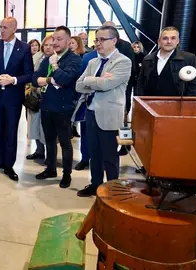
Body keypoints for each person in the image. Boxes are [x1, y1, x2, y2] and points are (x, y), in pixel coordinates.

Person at [75, 25, 131, 197]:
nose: (97, 43)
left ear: (114, 41)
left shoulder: (123, 62)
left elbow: (107, 85)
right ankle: (95, 184)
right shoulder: (93, 62)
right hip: (91, 113)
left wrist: (90, 80)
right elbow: (78, 85)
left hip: (109, 115)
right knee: (94, 154)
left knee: (110, 156)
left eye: (102, 39)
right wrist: (97, 80)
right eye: (96, 39)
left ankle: (113, 189)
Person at [0, 17, 34, 181]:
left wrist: (13, 80)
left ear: (14, 28)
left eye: (5, 27)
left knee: (11, 131)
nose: (2, 30)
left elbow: (29, 74)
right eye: (1, 27)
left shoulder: (24, 48)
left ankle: (9, 165)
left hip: (13, 97)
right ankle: (0, 160)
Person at [32, 26, 81, 188]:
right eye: (54, 39)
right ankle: (51, 168)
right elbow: (34, 78)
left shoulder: (73, 59)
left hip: (63, 108)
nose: (55, 42)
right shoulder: (48, 57)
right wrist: (48, 80)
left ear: (68, 41)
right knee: (49, 140)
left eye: (59, 39)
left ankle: (67, 174)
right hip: (46, 106)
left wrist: (55, 67)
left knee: (65, 143)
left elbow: (65, 80)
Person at [137, 26, 196, 97]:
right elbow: (140, 83)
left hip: (178, 105)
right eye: (165, 38)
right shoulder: (147, 59)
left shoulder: (188, 58)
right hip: (148, 104)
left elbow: (195, 84)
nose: (169, 41)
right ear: (159, 41)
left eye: (173, 38)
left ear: (178, 41)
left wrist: (189, 104)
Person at [102, 21, 135, 156]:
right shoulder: (100, 47)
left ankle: (125, 146)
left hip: (122, 90)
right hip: (103, 91)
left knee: (123, 117)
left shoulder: (126, 46)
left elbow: (130, 69)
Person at [26, 35, 55, 163]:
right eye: (46, 45)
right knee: (34, 125)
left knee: (47, 130)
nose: (48, 47)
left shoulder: (57, 59)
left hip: (50, 97)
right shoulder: (37, 57)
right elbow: (32, 75)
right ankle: (39, 150)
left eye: (51, 45)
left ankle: (50, 156)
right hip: (34, 95)